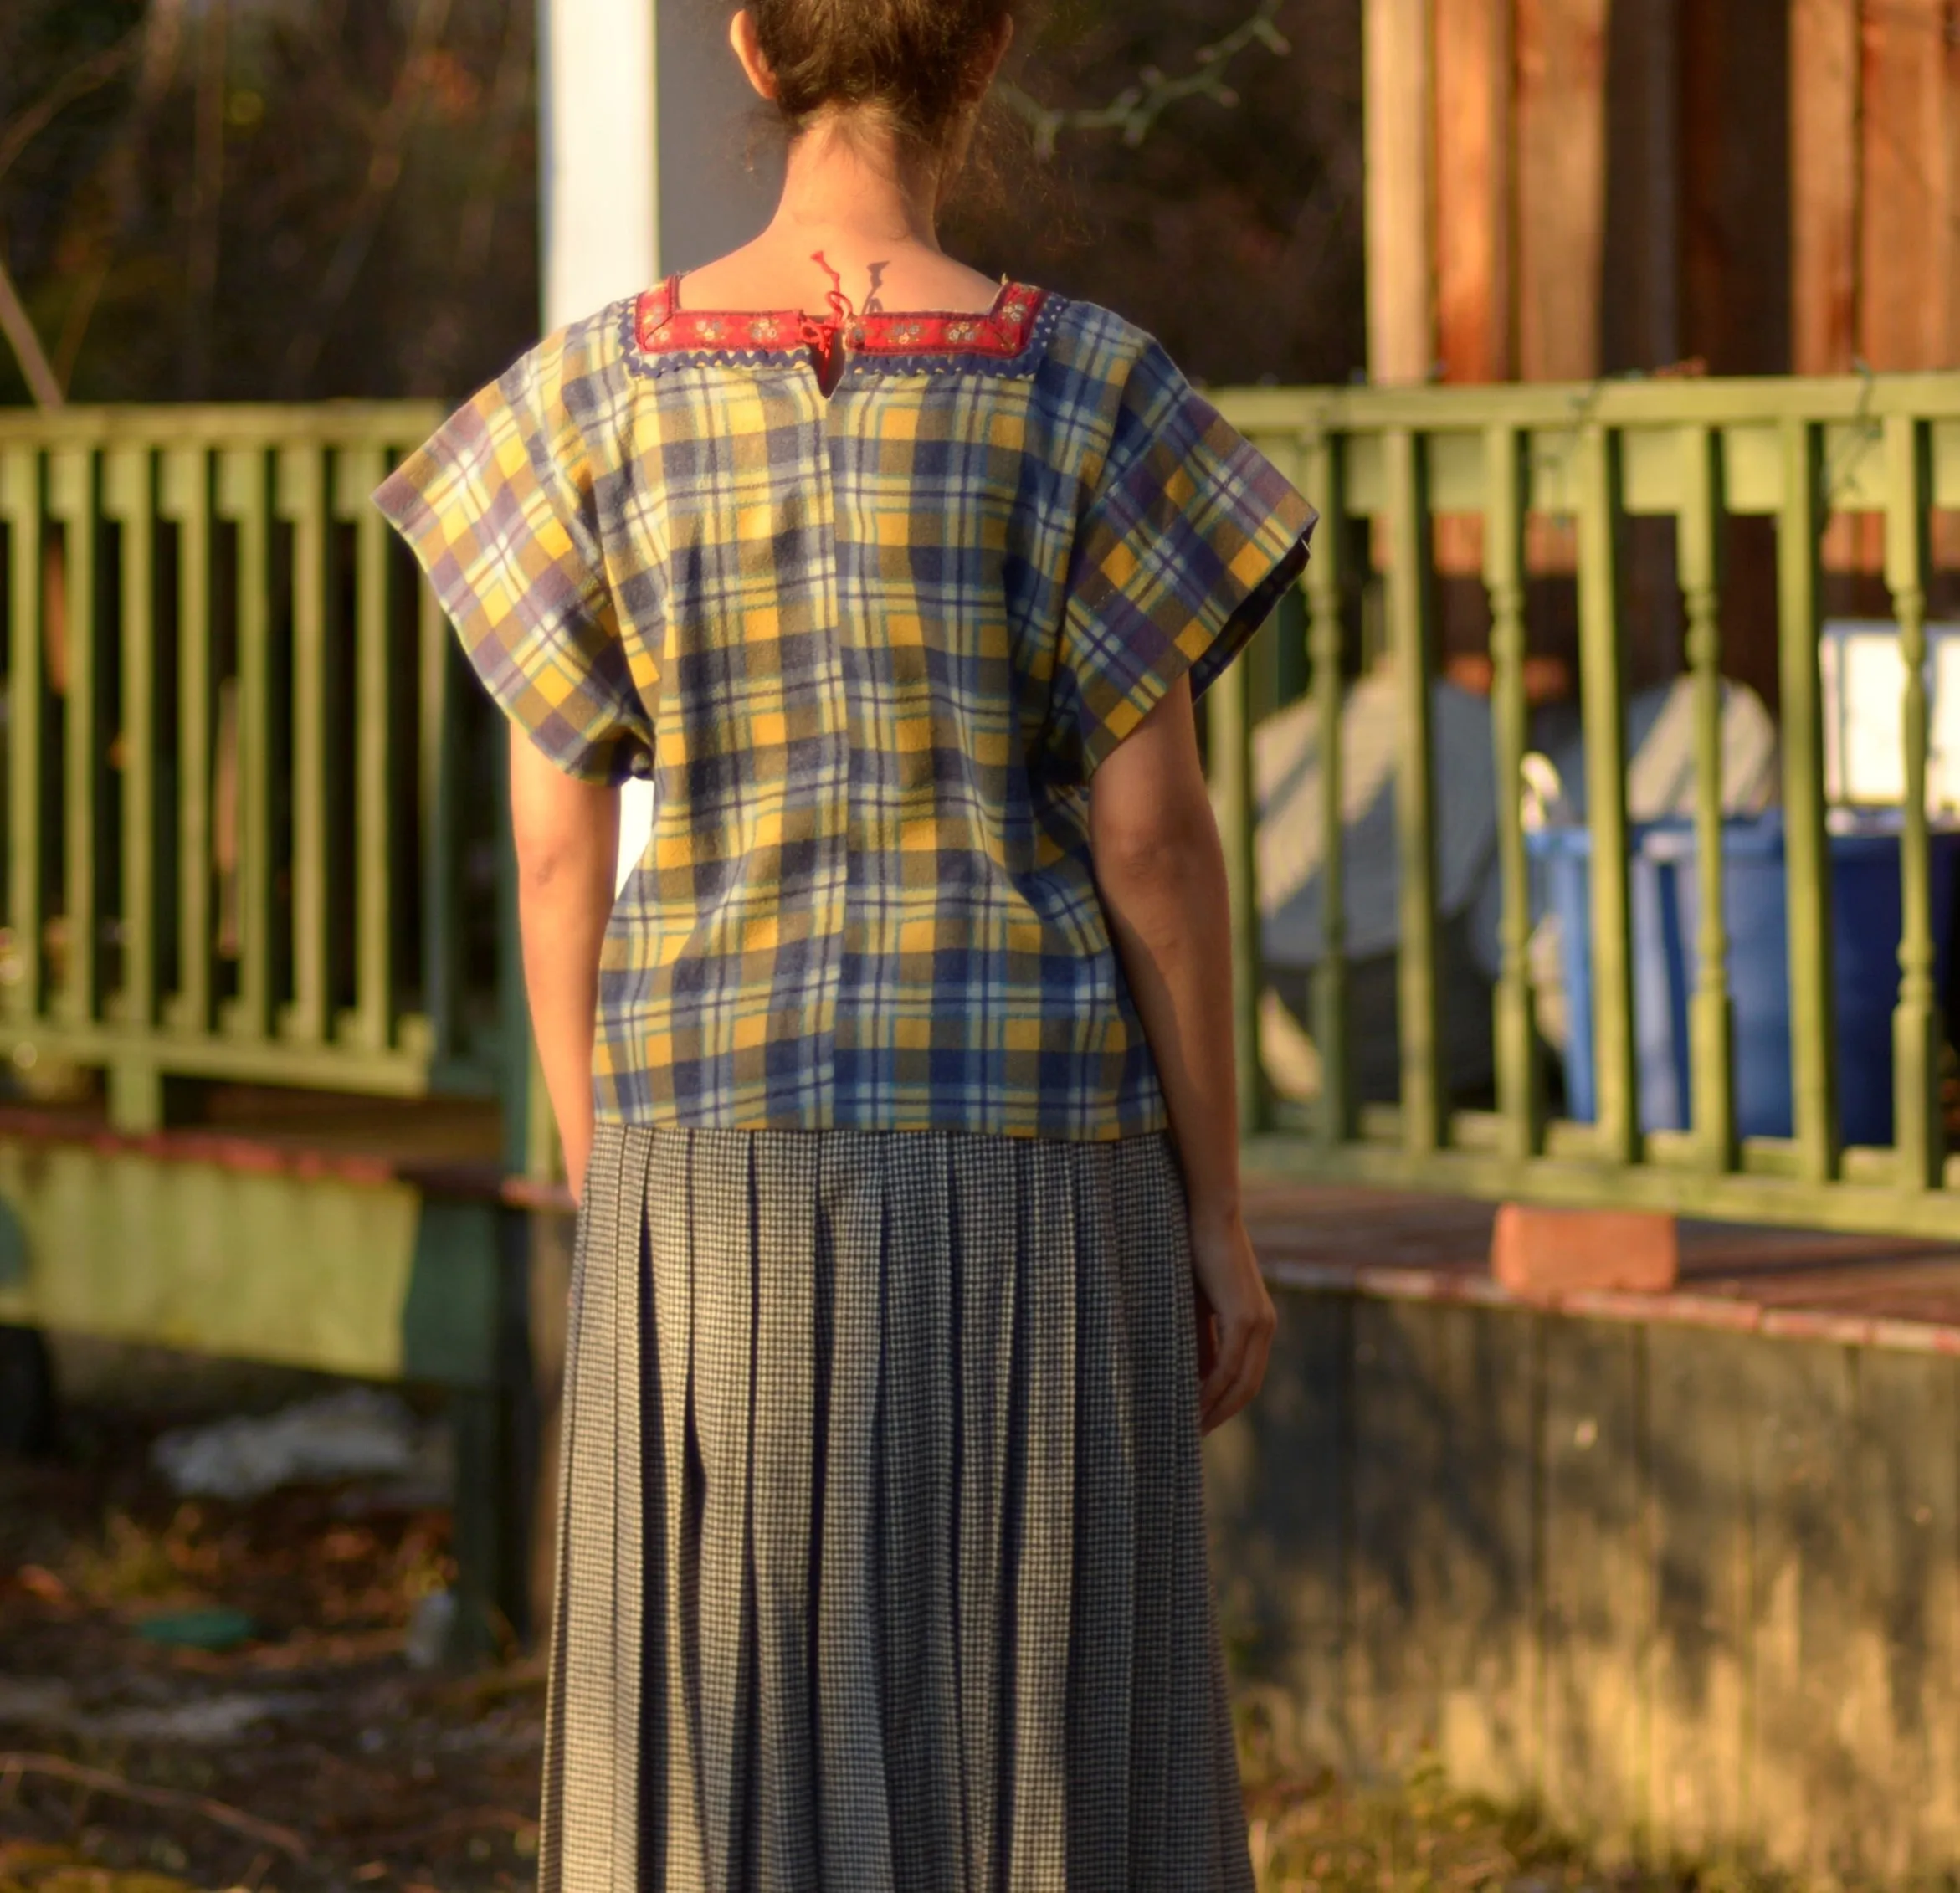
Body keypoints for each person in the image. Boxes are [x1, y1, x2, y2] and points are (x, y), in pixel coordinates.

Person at [377, 3, 1315, 1885]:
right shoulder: (1093, 388)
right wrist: (1217, 1214)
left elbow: (557, 856)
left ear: (748, 50)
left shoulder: (585, 394)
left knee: (725, 1730)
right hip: (1036, 1151)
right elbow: (1153, 843)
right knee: (1037, 1707)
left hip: (704, 1140)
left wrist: (597, 1160)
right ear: (987, 58)